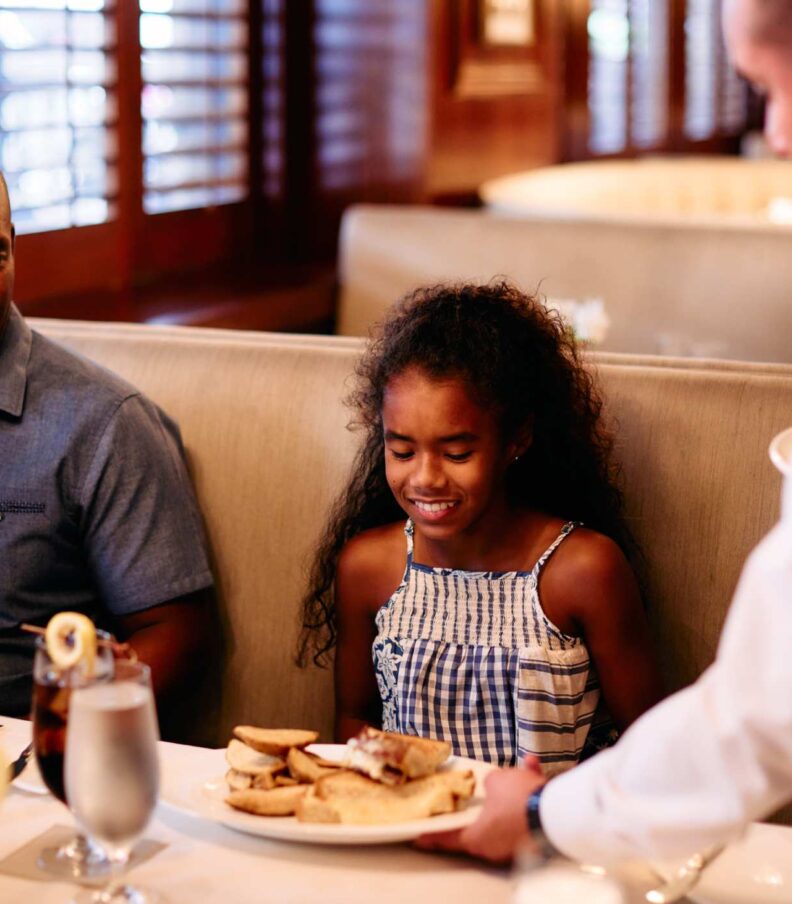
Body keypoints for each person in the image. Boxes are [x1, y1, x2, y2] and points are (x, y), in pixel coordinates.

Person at [418, 0, 792, 864]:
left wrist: (549, 810)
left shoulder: (580, 570)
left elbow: (761, 712)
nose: (774, 137)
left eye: (773, 87)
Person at [299, 282, 663, 771]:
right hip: (409, 834)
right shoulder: (369, 568)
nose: (425, 478)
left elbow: (651, 746)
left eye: (457, 453)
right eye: (402, 451)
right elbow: (354, 720)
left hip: (545, 837)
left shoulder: (581, 570)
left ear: (517, 438)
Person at [0, 172, 215, 732]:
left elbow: (179, 635)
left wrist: (69, 726)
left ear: (14, 249)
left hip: (34, 755)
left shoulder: (104, 422)